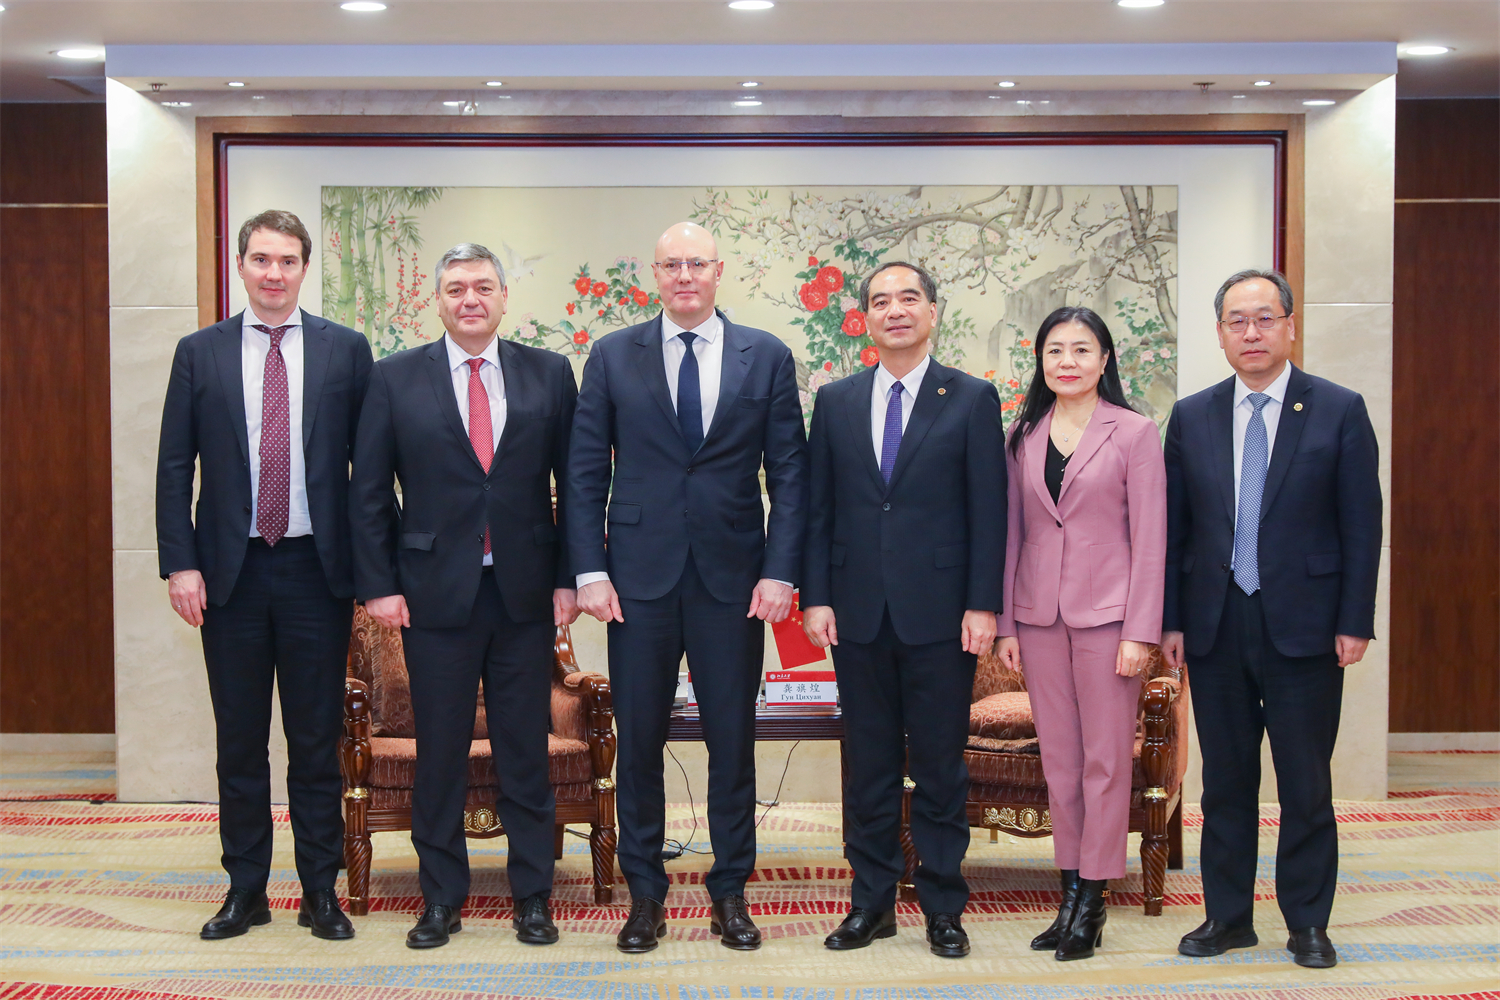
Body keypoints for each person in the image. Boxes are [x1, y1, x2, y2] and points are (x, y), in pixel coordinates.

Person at [566, 222, 808, 953]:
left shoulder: (765, 355)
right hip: (634, 582)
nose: (684, 275)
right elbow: (585, 471)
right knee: (639, 741)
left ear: (718, 271)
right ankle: (645, 893)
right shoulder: (613, 355)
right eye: (671, 264)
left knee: (732, 743)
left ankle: (730, 890)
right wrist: (589, 571)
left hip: (734, 581)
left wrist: (781, 571)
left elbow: (790, 474)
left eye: (696, 263)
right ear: (655, 274)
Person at [350, 243, 579, 949]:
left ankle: (532, 897)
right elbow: (369, 492)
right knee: (441, 754)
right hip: (431, 596)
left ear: (504, 297)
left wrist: (570, 577)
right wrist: (379, 586)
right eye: (455, 288)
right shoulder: (393, 378)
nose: (470, 298)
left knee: (524, 752)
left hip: (525, 594)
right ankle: (440, 900)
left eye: (483, 286)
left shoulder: (549, 373)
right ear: (439, 301)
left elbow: (575, 485)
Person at [156, 210, 371, 941]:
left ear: (304, 268)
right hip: (230, 575)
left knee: (314, 743)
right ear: (241, 265)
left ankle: (320, 891)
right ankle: (245, 890)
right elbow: (173, 467)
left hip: (318, 572)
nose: (273, 273)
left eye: (287, 260)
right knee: (240, 743)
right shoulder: (200, 352)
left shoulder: (346, 350)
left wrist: (375, 569)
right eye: (260, 259)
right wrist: (181, 563)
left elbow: (370, 469)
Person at [1164, 269, 1381, 969]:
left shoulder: (1338, 409)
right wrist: (1171, 621)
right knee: (1225, 783)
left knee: (1305, 783)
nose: (1251, 333)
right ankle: (1228, 918)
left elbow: (1362, 525)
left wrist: (1355, 618)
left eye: (1264, 318)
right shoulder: (1192, 415)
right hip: (1215, 622)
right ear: (1220, 333)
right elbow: (1174, 531)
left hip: (1307, 625)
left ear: (1290, 326)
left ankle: (1307, 923)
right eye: (1237, 321)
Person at [801, 261, 1006, 959]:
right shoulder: (835, 401)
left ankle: (944, 907)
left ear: (932, 312)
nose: (895, 310)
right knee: (871, 767)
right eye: (881, 300)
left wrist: (983, 604)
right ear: (864, 317)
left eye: (909, 298)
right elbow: (818, 509)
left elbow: (990, 510)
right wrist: (816, 597)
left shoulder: (971, 398)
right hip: (856, 613)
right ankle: (872, 903)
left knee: (941, 768)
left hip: (943, 616)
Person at [994, 306, 1166, 961]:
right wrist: (1007, 623)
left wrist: (1140, 631)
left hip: (1111, 620)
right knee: (1060, 763)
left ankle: (1093, 901)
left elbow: (1151, 538)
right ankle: (1067, 894)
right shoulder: (1022, 436)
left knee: (1105, 761)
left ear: (1104, 359)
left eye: (1082, 349)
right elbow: (1012, 534)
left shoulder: (1135, 432)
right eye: (1055, 351)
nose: (1067, 361)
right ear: (1041, 361)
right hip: (1038, 618)